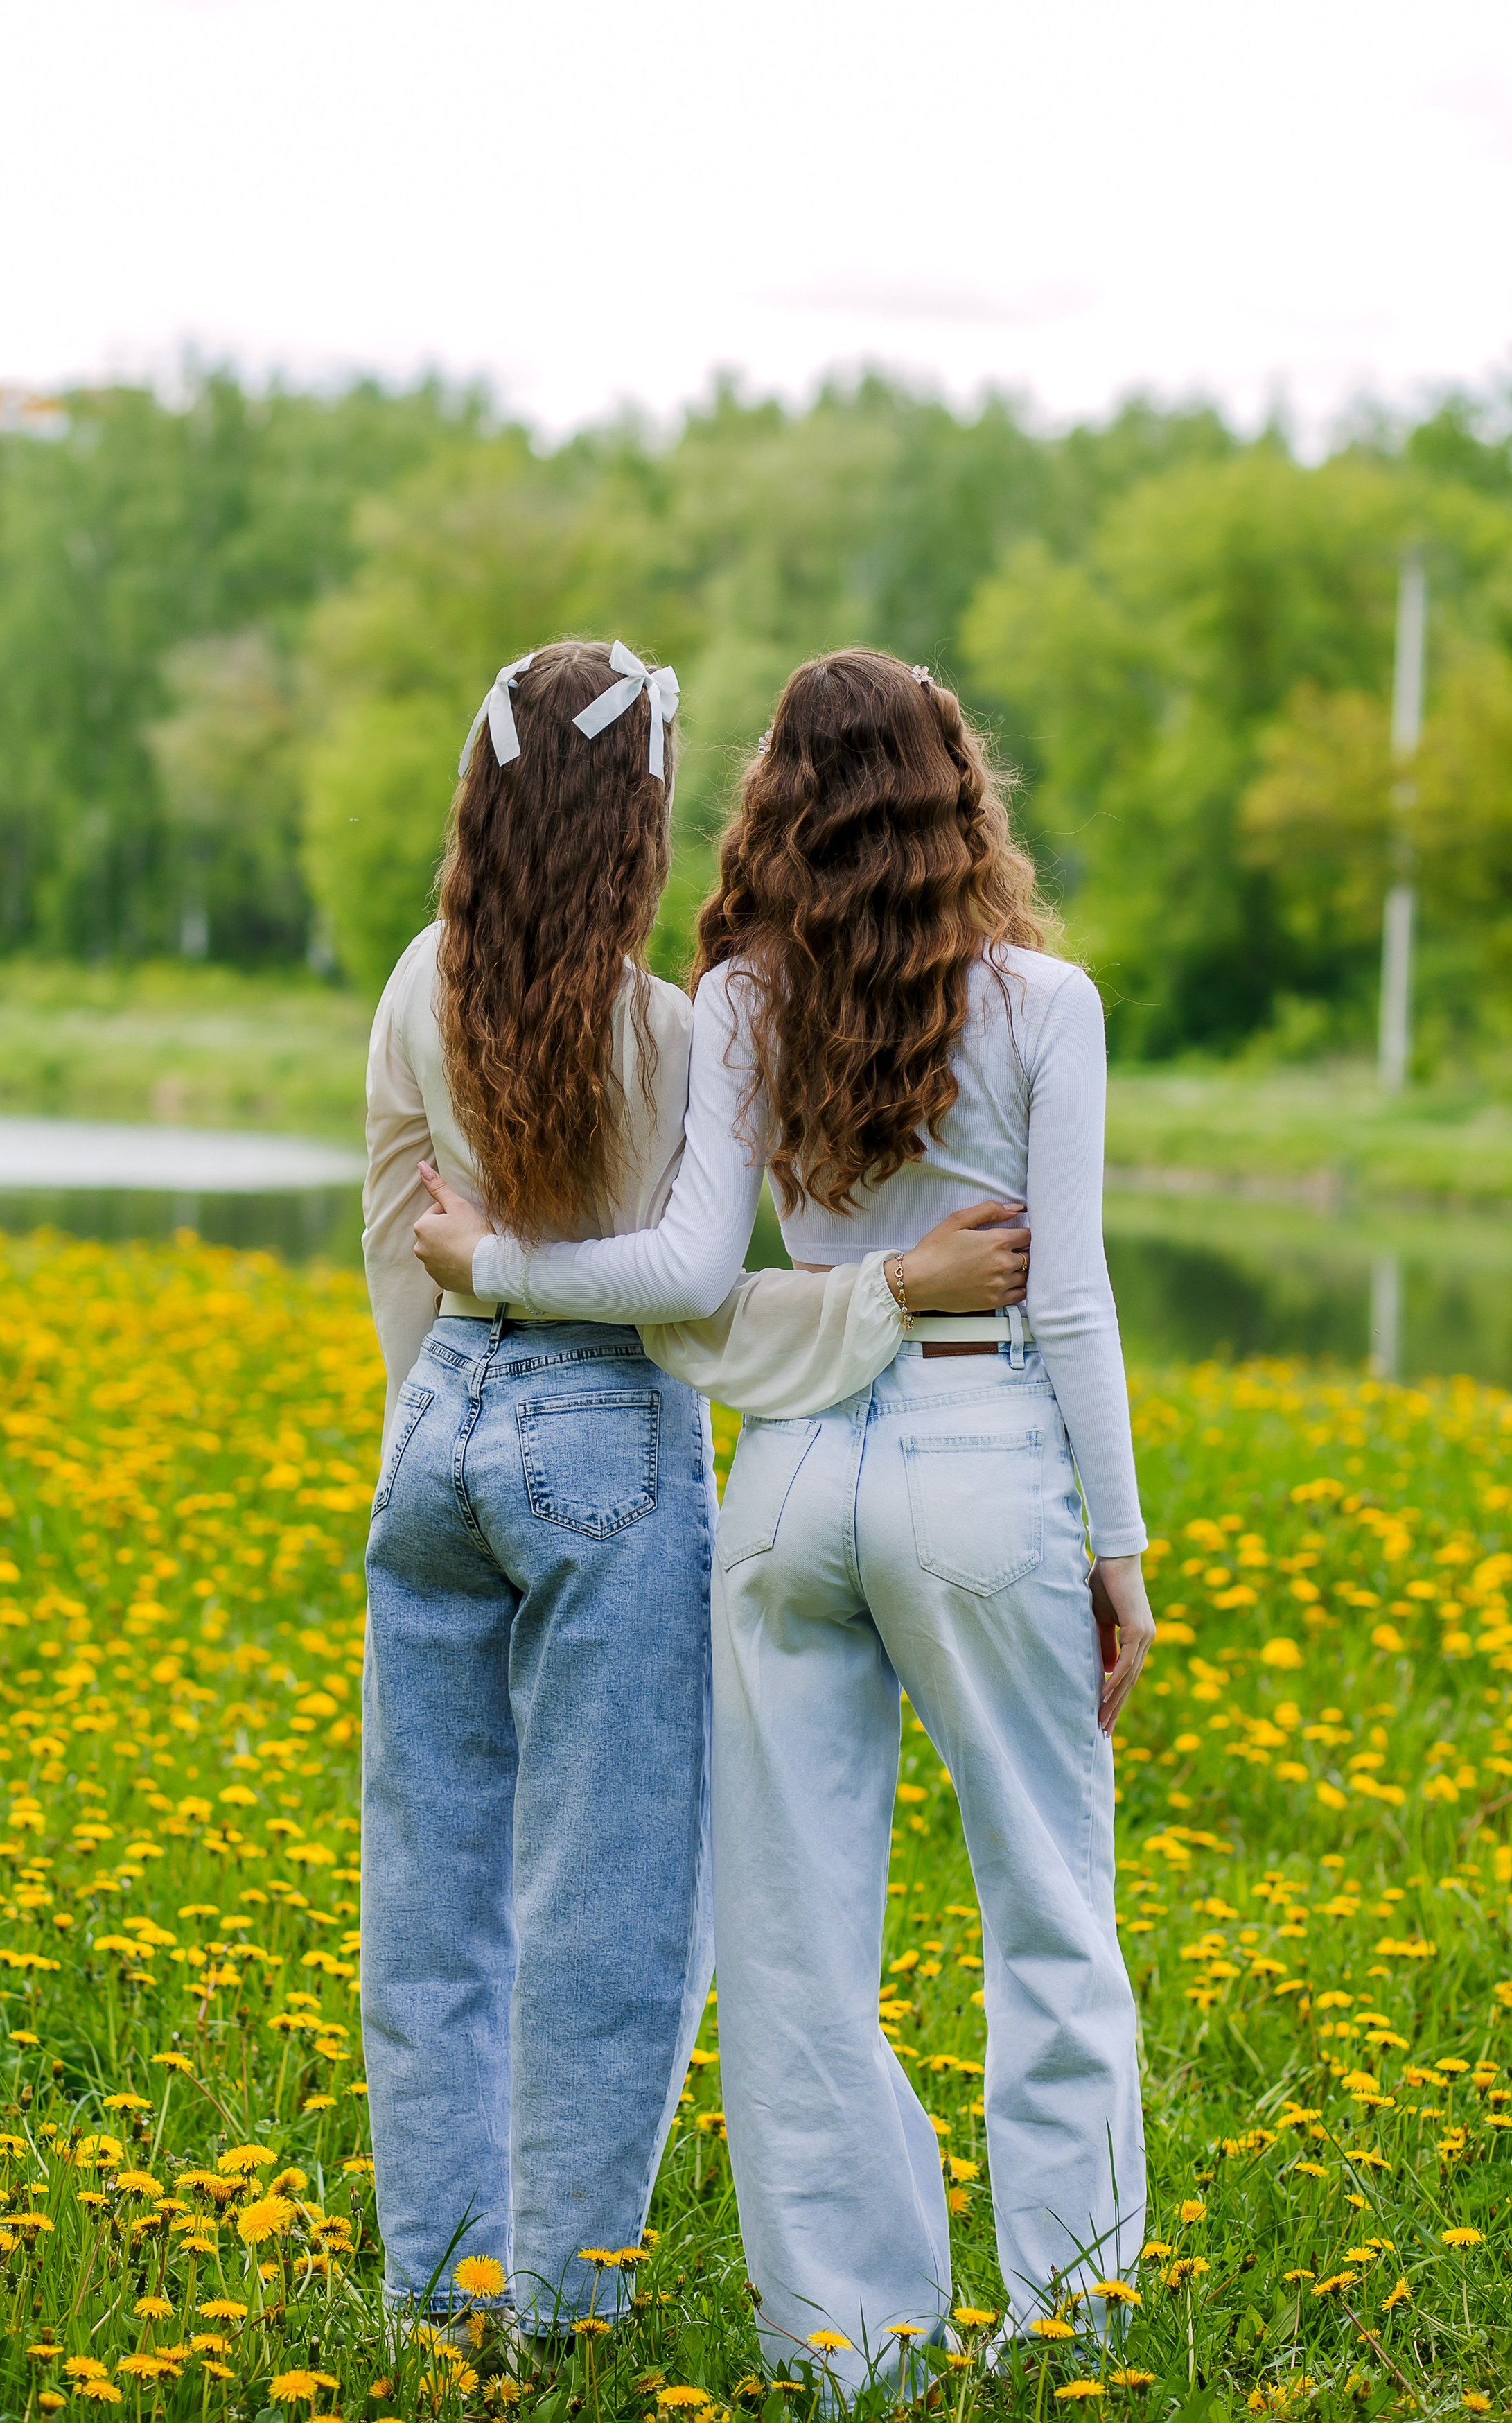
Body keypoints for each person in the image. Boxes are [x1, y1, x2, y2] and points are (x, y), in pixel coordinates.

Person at [414, 649, 1154, 2377]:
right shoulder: (1051, 1007)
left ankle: (847, 2349)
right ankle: (1068, 2333)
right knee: (1044, 1904)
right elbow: (1074, 1302)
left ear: (776, 810)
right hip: (981, 1453)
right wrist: (1115, 1550)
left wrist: (490, 1267)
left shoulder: (741, 998)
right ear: (962, 793)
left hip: (796, 1469)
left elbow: (692, 1269)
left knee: (797, 1941)